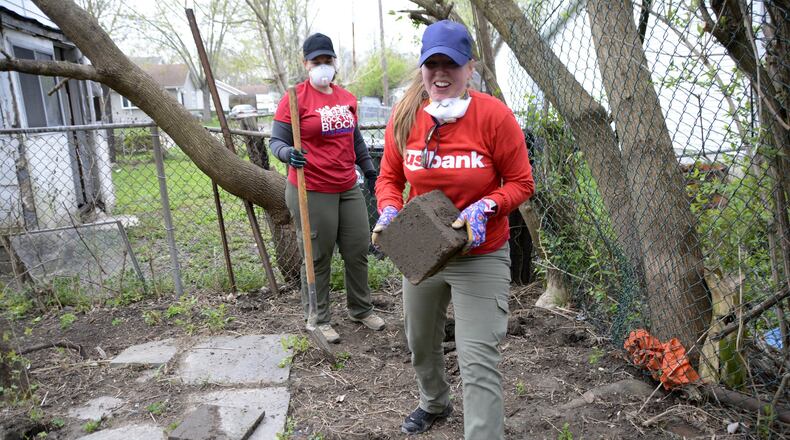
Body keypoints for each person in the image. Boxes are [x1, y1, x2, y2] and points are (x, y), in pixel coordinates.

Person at [372, 20, 535, 439]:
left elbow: (522, 182)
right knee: (420, 342)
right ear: (422, 68)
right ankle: (434, 401)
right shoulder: (407, 114)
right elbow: (389, 177)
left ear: (470, 68)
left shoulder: (493, 116)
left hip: (480, 254)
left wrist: (487, 206)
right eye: (433, 64)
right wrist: (389, 210)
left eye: (452, 64)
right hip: (423, 248)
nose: (441, 74)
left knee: (478, 357)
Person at [271, 32, 385, 343]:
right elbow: (276, 141)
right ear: (305, 63)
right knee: (318, 255)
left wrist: (369, 170)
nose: (323, 66)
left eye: (327, 60)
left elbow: (355, 138)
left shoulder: (345, 98)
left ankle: (360, 309)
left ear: (335, 62)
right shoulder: (294, 98)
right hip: (311, 188)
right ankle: (318, 317)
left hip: (347, 185)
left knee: (358, 248)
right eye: (316, 61)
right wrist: (287, 154)